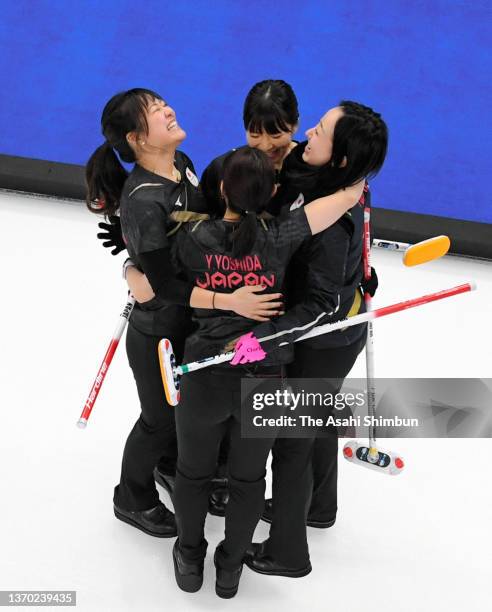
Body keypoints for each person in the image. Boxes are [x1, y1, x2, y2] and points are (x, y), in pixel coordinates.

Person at [126, 146, 365, 597]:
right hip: (264, 377)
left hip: (203, 378)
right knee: (248, 479)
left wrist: (127, 269)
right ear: (274, 191)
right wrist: (359, 176)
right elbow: (331, 207)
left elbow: (154, 274)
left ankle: (189, 557)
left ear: (220, 190)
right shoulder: (281, 235)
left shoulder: (193, 239)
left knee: (193, 475)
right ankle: (231, 567)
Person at [85, 88, 282, 539]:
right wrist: (227, 301)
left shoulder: (183, 163)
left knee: (182, 413)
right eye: (156, 112)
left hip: (192, 324)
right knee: (157, 420)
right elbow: (165, 285)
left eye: (164, 103)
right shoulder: (141, 199)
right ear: (137, 139)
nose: (169, 110)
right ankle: (132, 497)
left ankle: (171, 468)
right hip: (160, 331)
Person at [242, 101, 388, 576]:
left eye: (320, 131)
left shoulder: (336, 221)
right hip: (341, 321)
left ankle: (287, 552)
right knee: (318, 415)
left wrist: (265, 336)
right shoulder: (339, 182)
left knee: (291, 440)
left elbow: (319, 306)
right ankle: (320, 507)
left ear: (341, 159)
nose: (308, 133)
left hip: (328, 338)